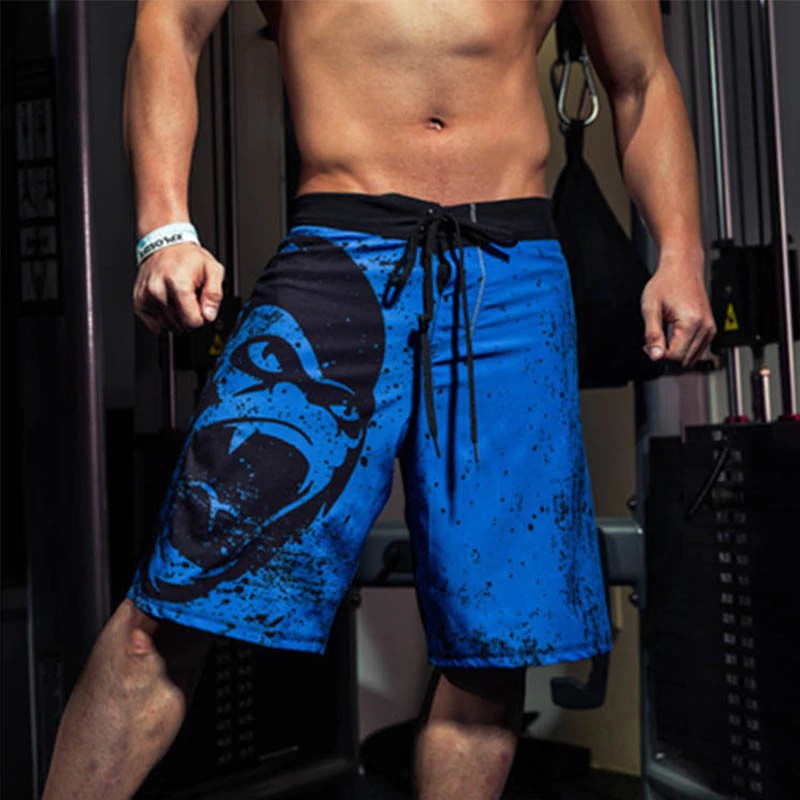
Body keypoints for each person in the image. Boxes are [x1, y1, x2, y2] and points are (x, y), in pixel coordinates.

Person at [43, 1, 716, 798]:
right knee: (167, 618)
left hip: (512, 275)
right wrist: (164, 228)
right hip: (338, 257)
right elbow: (170, 25)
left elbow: (641, 77)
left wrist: (680, 253)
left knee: (493, 649)